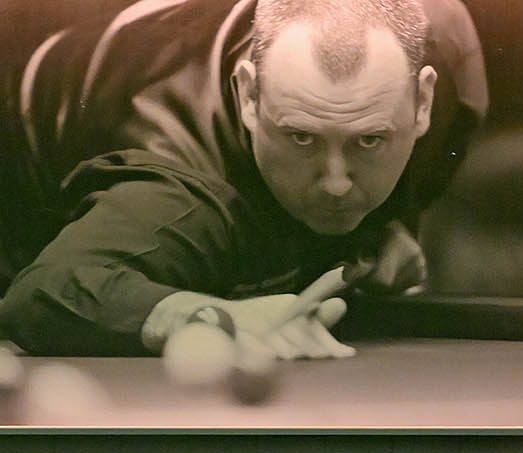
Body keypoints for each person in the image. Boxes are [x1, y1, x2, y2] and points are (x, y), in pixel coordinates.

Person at [0, 0, 486, 358]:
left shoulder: (447, 44)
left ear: (422, 103)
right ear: (249, 96)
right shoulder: (179, 188)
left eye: (369, 140)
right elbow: (42, 295)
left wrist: (391, 222)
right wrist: (212, 317)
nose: (337, 184)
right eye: (300, 137)